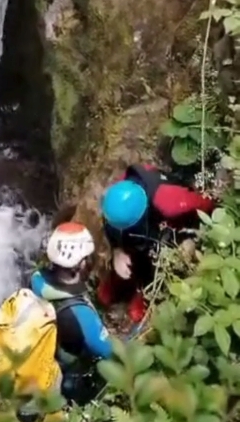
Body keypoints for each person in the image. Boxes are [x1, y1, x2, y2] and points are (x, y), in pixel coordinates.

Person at [97, 163, 216, 323]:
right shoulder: (117, 197)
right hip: (142, 229)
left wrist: (199, 234)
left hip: (177, 228)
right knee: (105, 294)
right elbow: (109, 223)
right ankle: (123, 285)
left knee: (176, 254)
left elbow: (204, 203)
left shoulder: (168, 202)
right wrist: (117, 251)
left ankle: (149, 292)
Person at [30, 221, 113, 405]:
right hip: (68, 374)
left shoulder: (37, 280)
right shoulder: (81, 315)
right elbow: (112, 352)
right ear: (80, 264)